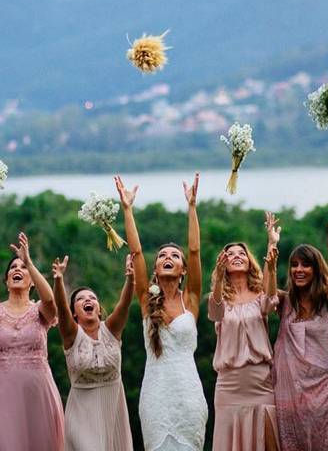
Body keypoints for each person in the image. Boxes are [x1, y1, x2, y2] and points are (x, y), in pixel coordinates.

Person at [117, 173, 209, 451]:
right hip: (156, 397)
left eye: (174, 256)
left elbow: (194, 250)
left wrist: (192, 207)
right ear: (155, 269)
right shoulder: (147, 299)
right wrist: (127, 210)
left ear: (182, 270)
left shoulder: (190, 299)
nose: (168, 258)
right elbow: (135, 251)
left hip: (188, 397)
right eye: (162, 257)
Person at [0, 229, 64, 451]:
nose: (17, 270)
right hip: (1, 392)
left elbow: (50, 300)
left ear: (32, 281)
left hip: (37, 391)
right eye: (13, 267)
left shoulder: (40, 311)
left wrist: (29, 262)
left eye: (22, 268)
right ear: (6, 280)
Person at [207, 211, 281, 451]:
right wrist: (218, 280)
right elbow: (215, 313)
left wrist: (272, 246)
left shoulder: (260, 295)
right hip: (229, 384)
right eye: (230, 254)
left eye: (242, 253)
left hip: (260, 381)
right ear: (223, 264)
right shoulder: (220, 298)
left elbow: (271, 301)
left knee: (267, 440)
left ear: (250, 261)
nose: (236, 256)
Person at [272, 216, 328, 451]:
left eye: (305, 265)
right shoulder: (284, 303)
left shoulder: (326, 303)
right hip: (289, 394)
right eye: (294, 265)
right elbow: (264, 292)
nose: (299, 270)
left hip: (323, 394)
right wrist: (271, 248)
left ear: (315, 269)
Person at [51, 253, 135, 451]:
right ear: (74, 312)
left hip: (113, 411)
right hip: (81, 416)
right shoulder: (72, 335)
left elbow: (124, 305)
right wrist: (58, 281)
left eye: (92, 298)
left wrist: (130, 278)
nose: (87, 300)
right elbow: (61, 309)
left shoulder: (112, 330)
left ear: (98, 309)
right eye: (80, 299)